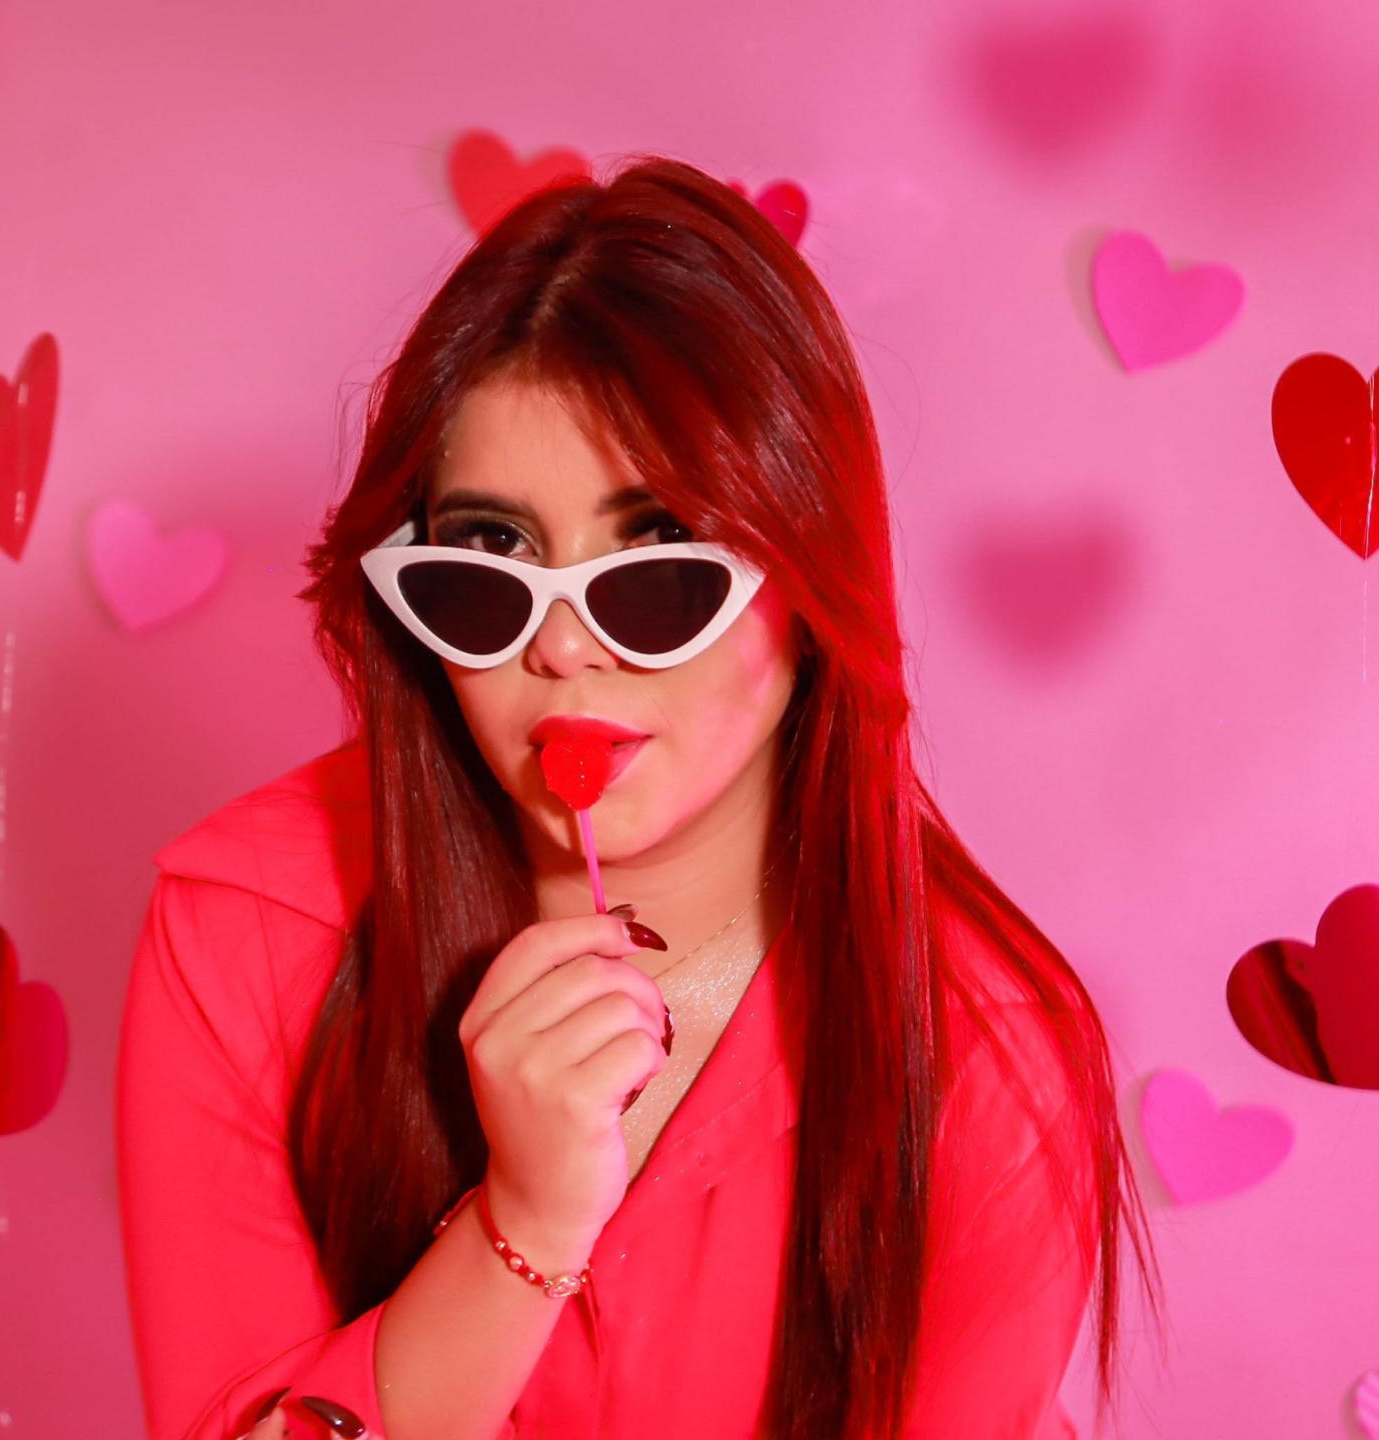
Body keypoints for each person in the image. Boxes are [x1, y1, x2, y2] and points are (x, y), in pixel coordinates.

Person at [116, 154, 1164, 1440]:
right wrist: (521, 1227)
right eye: (488, 563)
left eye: (659, 565)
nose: (560, 649)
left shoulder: (983, 1053)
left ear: (808, 580)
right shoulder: (247, 928)